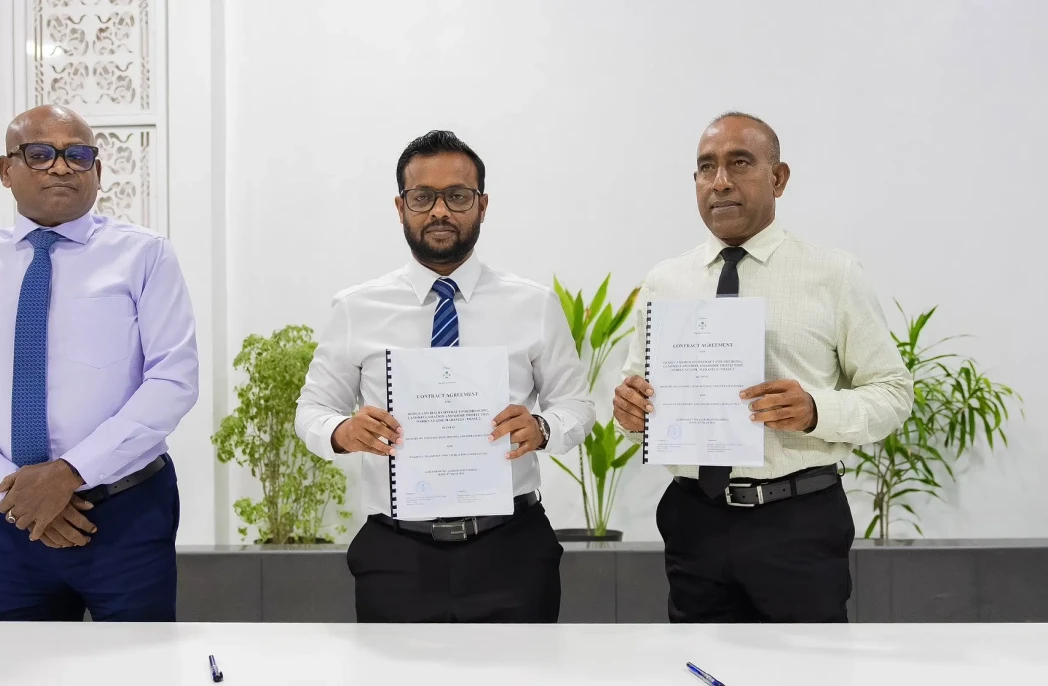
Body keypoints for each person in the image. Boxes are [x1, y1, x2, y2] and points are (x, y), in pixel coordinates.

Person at [613, 112, 913, 623]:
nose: (720, 181)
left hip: (797, 522)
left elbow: (893, 392)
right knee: (700, 661)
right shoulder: (665, 281)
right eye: (706, 167)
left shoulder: (834, 274)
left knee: (806, 663)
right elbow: (637, 395)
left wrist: (815, 410)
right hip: (694, 521)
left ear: (778, 178)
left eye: (739, 163)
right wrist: (630, 410)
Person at [295, 130, 595, 623]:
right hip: (396, 553)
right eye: (422, 197)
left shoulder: (533, 303)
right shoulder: (357, 308)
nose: (440, 211)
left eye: (457, 196)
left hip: (512, 550)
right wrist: (342, 432)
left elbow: (577, 406)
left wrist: (542, 428)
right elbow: (312, 410)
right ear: (400, 207)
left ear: (482, 205)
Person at [0, 105, 199, 621]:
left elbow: (173, 380)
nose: (61, 166)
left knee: (138, 661)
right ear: (7, 170)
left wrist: (69, 473)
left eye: (78, 155)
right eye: (40, 153)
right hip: (14, 520)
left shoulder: (144, 255)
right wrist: (15, 489)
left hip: (125, 514)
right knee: (12, 661)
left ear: (97, 169)